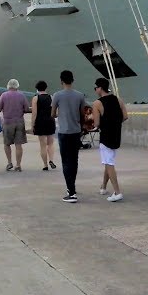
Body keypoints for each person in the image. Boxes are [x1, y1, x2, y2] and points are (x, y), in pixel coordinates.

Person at [52, 70, 86, 202]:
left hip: (64, 132)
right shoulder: (80, 95)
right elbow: (82, 114)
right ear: (72, 80)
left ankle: (71, 192)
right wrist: (81, 127)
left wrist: (61, 113)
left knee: (66, 162)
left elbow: (52, 114)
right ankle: (72, 186)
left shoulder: (57, 95)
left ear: (61, 81)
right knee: (74, 160)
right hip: (76, 131)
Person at [92, 77, 126, 202]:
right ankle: (103, 186)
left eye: (95, 87)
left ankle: (117, 192)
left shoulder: (97, 103)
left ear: (100, 88)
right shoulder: (118, 99)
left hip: (105, 136)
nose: (95, 90)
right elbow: (125, 116)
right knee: (109, 160)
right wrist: (115, 123)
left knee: (109, 163)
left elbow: (96, 123)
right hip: (116, 134)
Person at [0, 79, 29, 172]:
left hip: (7, 122)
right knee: (18, 144)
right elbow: (26, 108)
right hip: (19, 122)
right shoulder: (21, 95)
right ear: (17, 86)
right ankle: (18, 165)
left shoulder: (4, 95)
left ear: (8, 86)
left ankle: (9, 162)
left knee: (7, 144)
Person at [32, 80, 56, 171]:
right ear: (46, 88)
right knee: (50, 143)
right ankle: (51, 160)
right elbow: (54, 111)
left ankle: (45, 165)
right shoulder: (51, 97)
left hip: (40, 122)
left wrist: (33, 124)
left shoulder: (36, 98)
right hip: (50, 120)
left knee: (43, 145)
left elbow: (34, 113)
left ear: (37, 88)